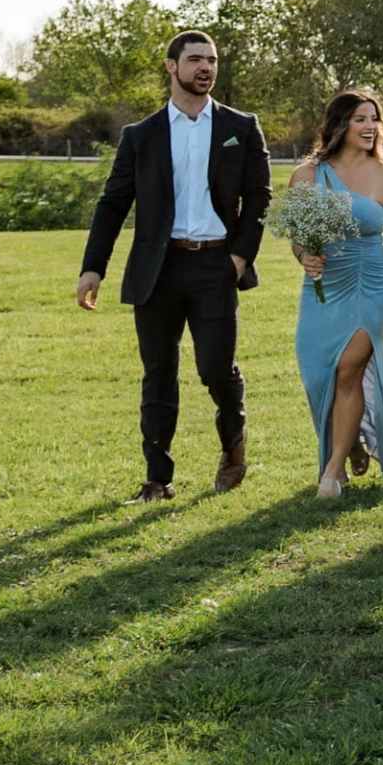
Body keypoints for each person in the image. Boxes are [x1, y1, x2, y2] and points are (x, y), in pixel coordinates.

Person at [76, 30, 268, 501]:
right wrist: (93, 267)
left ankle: (233, 446)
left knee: (215, 368)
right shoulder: (140, 136)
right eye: (196, 59)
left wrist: (241, 256)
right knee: (158, 372)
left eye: (212, 60)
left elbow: (260, 197)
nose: (206, 67)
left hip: (215, 266)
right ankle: (157, 480)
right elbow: (113, 203)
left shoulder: (240, 128)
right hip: (157, 270)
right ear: (171, 67)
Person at [282, 88, 383, 498]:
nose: (369, 126)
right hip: (323, 285)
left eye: (374, 118)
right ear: (339, 125)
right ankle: (353, 442)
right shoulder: (307, 176)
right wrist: (305, 255)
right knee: (317, 376)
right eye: (360, 118)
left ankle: (332, 470)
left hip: (369, 281)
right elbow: (297, 238)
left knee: (349, 367)